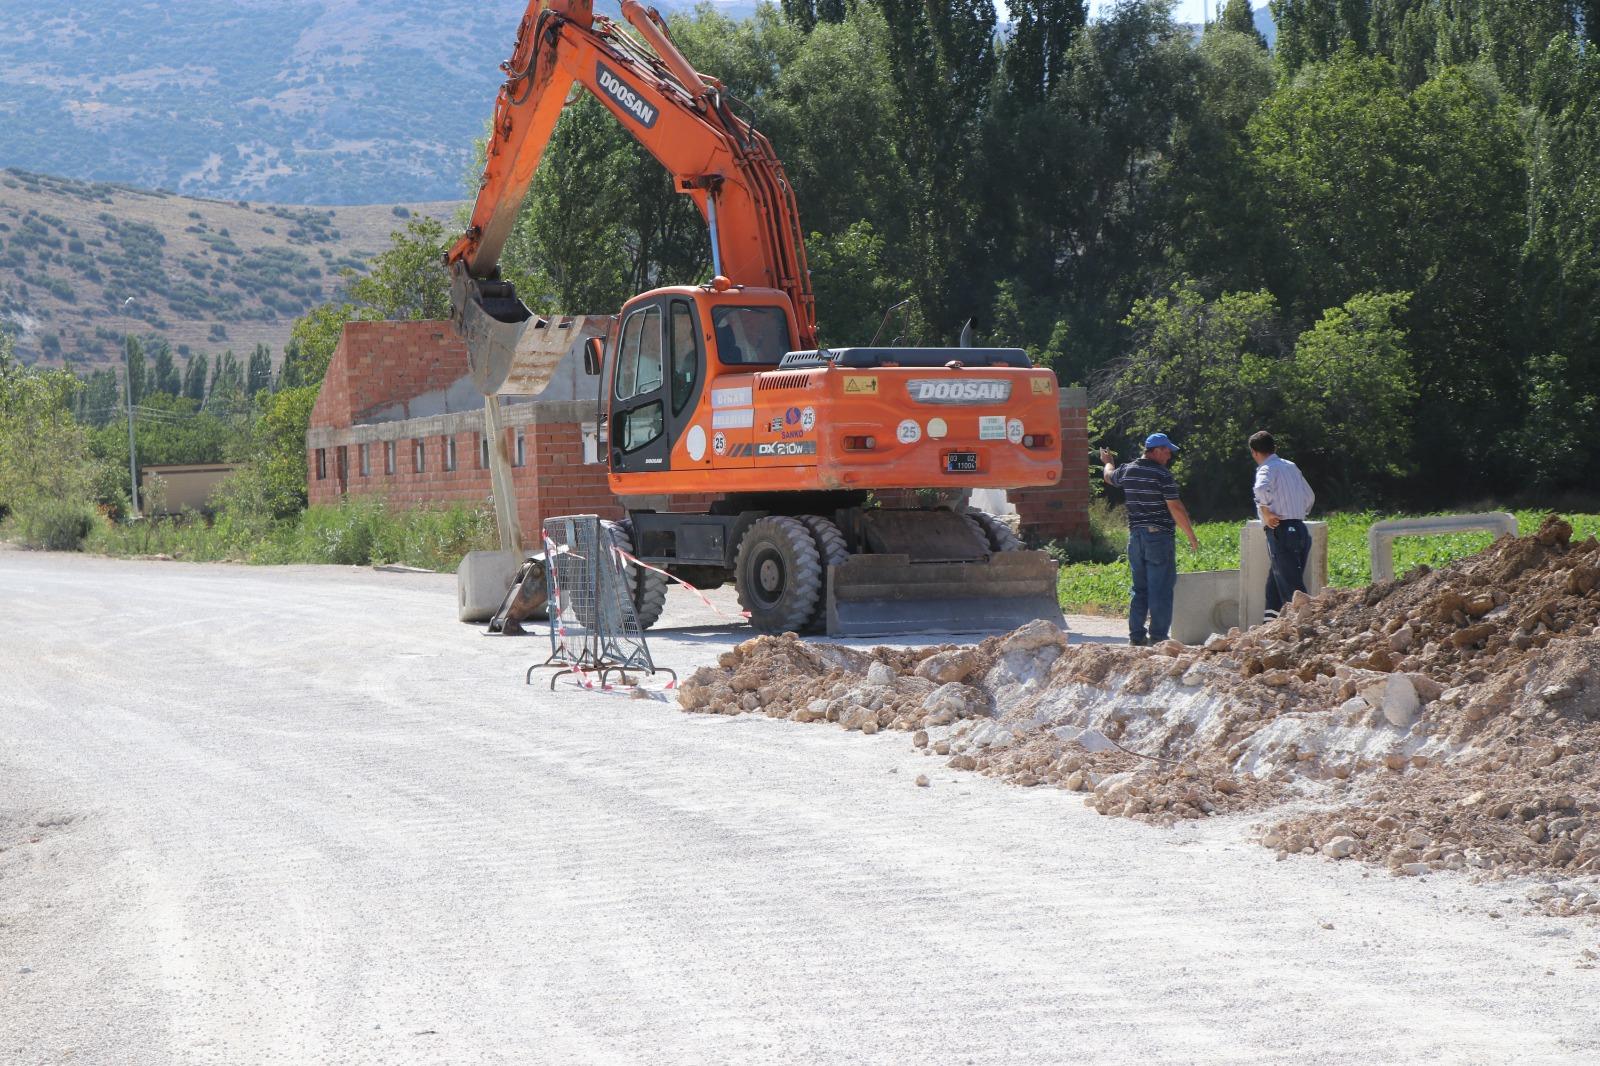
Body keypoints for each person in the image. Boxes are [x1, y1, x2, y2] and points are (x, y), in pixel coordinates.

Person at [1100, 433, 1201, 646]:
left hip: (1135, 538)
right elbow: (1175, 506)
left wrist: (1108, 463)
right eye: (1166, 451)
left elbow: (1108, 476)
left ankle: (1136, 637)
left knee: (1140, 589)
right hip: (1158, 537)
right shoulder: (1161, 474)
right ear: (1155, 451)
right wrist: (1191, 535)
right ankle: (1158, 639)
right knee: (1161, 589)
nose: (1169, 455)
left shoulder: (1128, 469)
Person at [1249, 430, 1316, 620]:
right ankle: (1270, 622)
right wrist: (1297, 512)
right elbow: (1309, 496)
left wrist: (1266, 512)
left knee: (1291, 586)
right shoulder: (1291, 466)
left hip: (1281, 530)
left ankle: (1307, 626)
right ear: (1274, 448)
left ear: (1254, 452)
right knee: (1276, 581)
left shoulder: (1266, 468)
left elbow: (1261, 488)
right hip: (1300, 529)